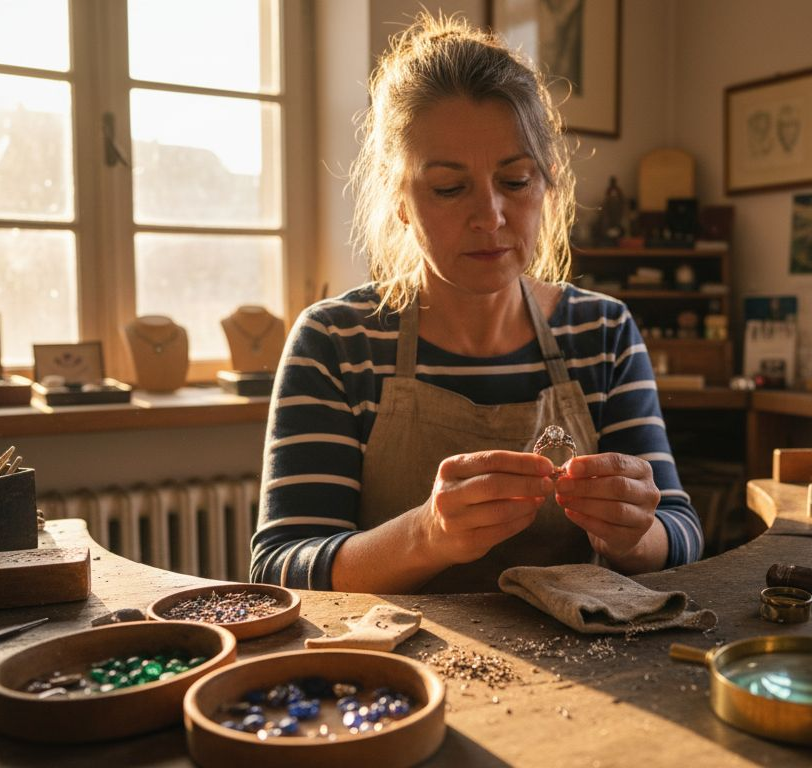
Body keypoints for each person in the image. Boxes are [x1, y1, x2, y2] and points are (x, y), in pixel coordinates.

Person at [251, 13, 702, 594]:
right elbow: (280, 564)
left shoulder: (602, 331)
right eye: (448, 187)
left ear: (548, 184)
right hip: (401, 675)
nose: (489, 216)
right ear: (401, 200)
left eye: (515, 181)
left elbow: (683, 531)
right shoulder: (337, 342)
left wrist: (634, 535)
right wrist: (426, 534)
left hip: (584, 671)